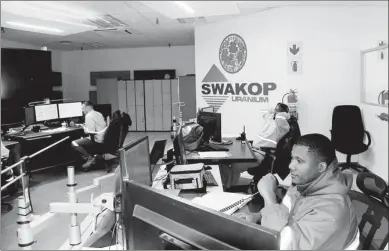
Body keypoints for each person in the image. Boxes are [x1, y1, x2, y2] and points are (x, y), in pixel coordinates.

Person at [234, 134, 359, 250]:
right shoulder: (305, 184)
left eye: (299, 161)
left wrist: (269, 196)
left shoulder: (332, 211)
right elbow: (286, 210)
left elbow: (280, 246)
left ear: (321, 167)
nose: (290, 166)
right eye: (292, 158)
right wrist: (257, 216)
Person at [221, 103, 291, 188]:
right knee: (223, 162)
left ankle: (229, 190)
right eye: (275, 110)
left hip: (262, 155)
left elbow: (281, 118)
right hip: (253, 150)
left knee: (235, 166)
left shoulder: (283, 126)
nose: (275, 111)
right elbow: (263, 110)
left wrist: (284, 113)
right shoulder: (270, 118)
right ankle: (225, 186)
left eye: (278, 110)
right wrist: (275, 109)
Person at [71, 101, 107, 170]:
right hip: (103, 138)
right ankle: (91, 157)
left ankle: (89, 158)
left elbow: (89, 131)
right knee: (82, 139)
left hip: (96, 140)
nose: (82, 110)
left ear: (87, 107)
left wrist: (84, 128)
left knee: (74, 143)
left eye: (83, 108)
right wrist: (80, 125)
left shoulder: (88, 115)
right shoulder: (98, 113)